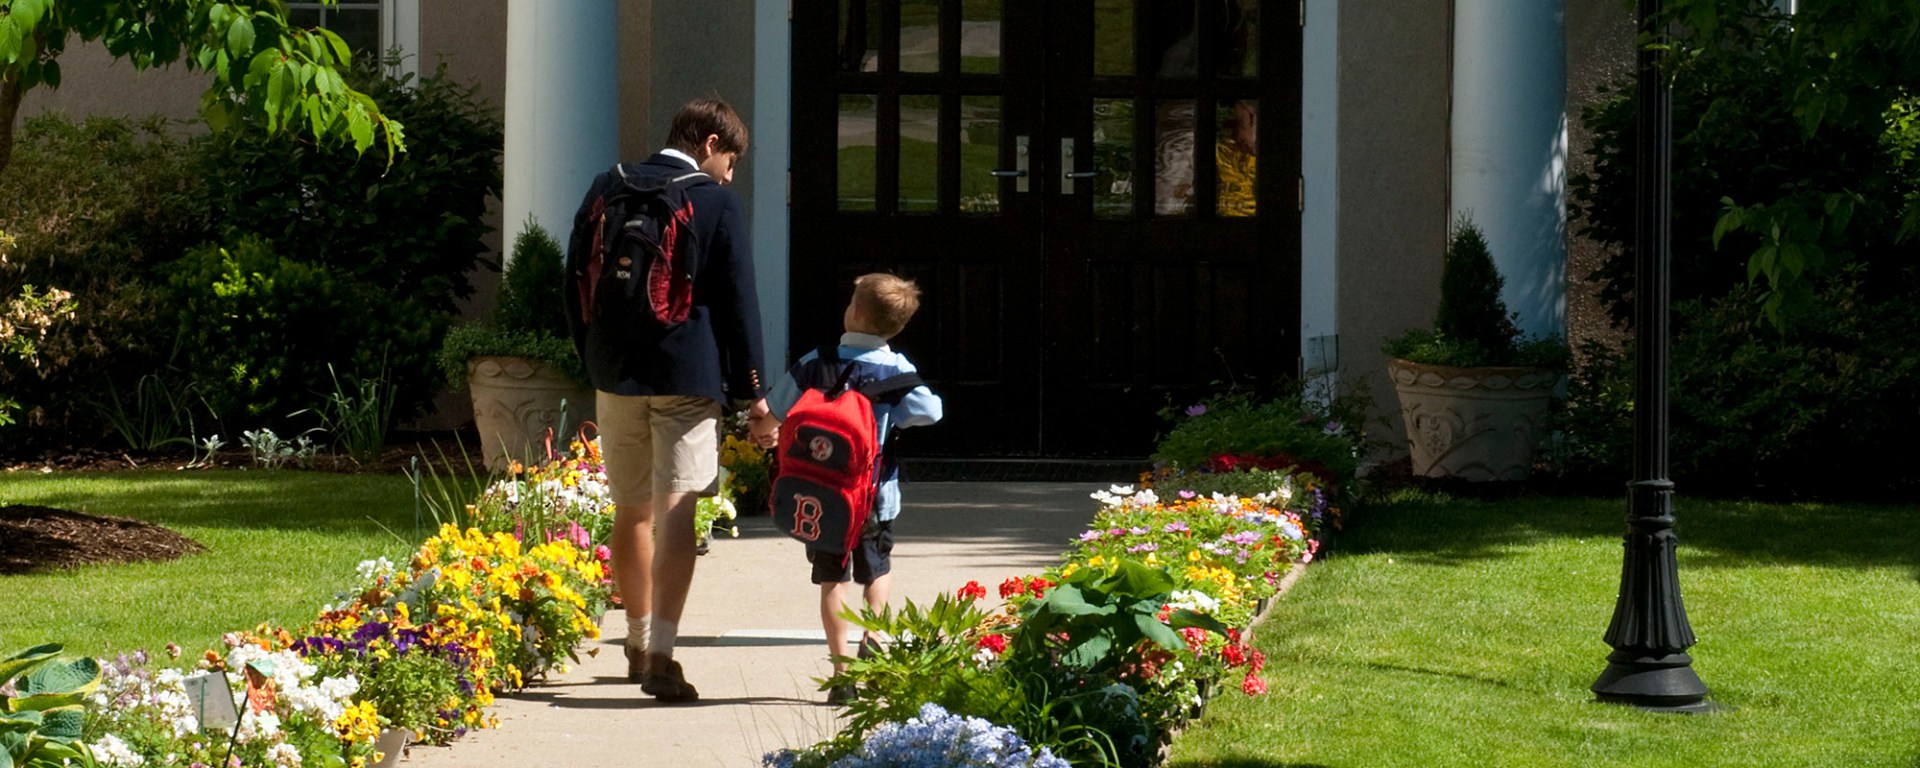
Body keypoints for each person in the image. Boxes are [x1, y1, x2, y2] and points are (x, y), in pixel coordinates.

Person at [570, 97, 778, 703]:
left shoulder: (605, 187)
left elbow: (573, 283)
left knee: (630, 511)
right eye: (731, 160)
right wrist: (755, 396)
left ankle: (634, 642)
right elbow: (741, 304)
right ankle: (662, 654)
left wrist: (594, 358)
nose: (731, 175)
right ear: (710, 143)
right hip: (687, 378)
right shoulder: (713, 201)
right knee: (678, 512)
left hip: (615, 375)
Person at [760, 273, 943, 705]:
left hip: (822, 498)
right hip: (877, 497)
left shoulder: (815, 361)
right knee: (877, 571)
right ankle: (874, 645)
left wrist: (764, 428)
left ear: (854, 313)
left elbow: (777, 406)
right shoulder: (896, 369)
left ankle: (841, 675)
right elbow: (929, 412)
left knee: (831, 581)